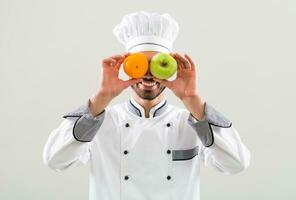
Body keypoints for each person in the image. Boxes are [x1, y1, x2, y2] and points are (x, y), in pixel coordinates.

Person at [42, 11, 250, 200]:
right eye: (140, 64)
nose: (149, 74)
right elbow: (54, 160)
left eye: (156, 64)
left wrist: (192, 100)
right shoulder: (100, 121)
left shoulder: (190, 121)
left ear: (170, 68)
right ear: (128, 67)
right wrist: (101, 98)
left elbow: (236, 163)